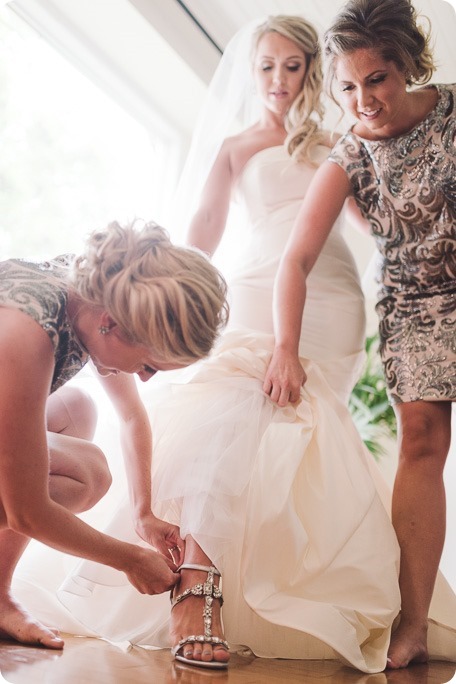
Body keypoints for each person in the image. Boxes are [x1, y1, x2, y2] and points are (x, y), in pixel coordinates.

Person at [46, 16, 405, 674]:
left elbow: (374, 224)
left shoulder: (340, 138)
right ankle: (199, 586)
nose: (277, 79)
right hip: (249, 292)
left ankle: (237, 593)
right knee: (230, 408)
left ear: (312, 71)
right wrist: (163, 309)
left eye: (292, 66)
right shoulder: (236, 147)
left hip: (329, 301)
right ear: (252, 72)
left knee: (298, 432)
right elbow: (201, 237)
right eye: (265, 66)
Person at [264, 0, 456, 670]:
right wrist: (285, 348)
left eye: (375, 79)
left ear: (405, 66)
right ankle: (412, 623)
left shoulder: (454, 112)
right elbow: (295, 259)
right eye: (347, 86)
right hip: (415, 303)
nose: (362, 100)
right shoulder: (348, 154)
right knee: (423, 441)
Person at [0, 219, 228, 649]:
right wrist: (129, 560)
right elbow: (27, 511)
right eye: (148, 365)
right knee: (89, 475)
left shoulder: (87, 294)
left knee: (76, 410)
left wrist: (143, 514)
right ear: (113, 325)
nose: (142, 379)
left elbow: (130, 416)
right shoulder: (27, 332)